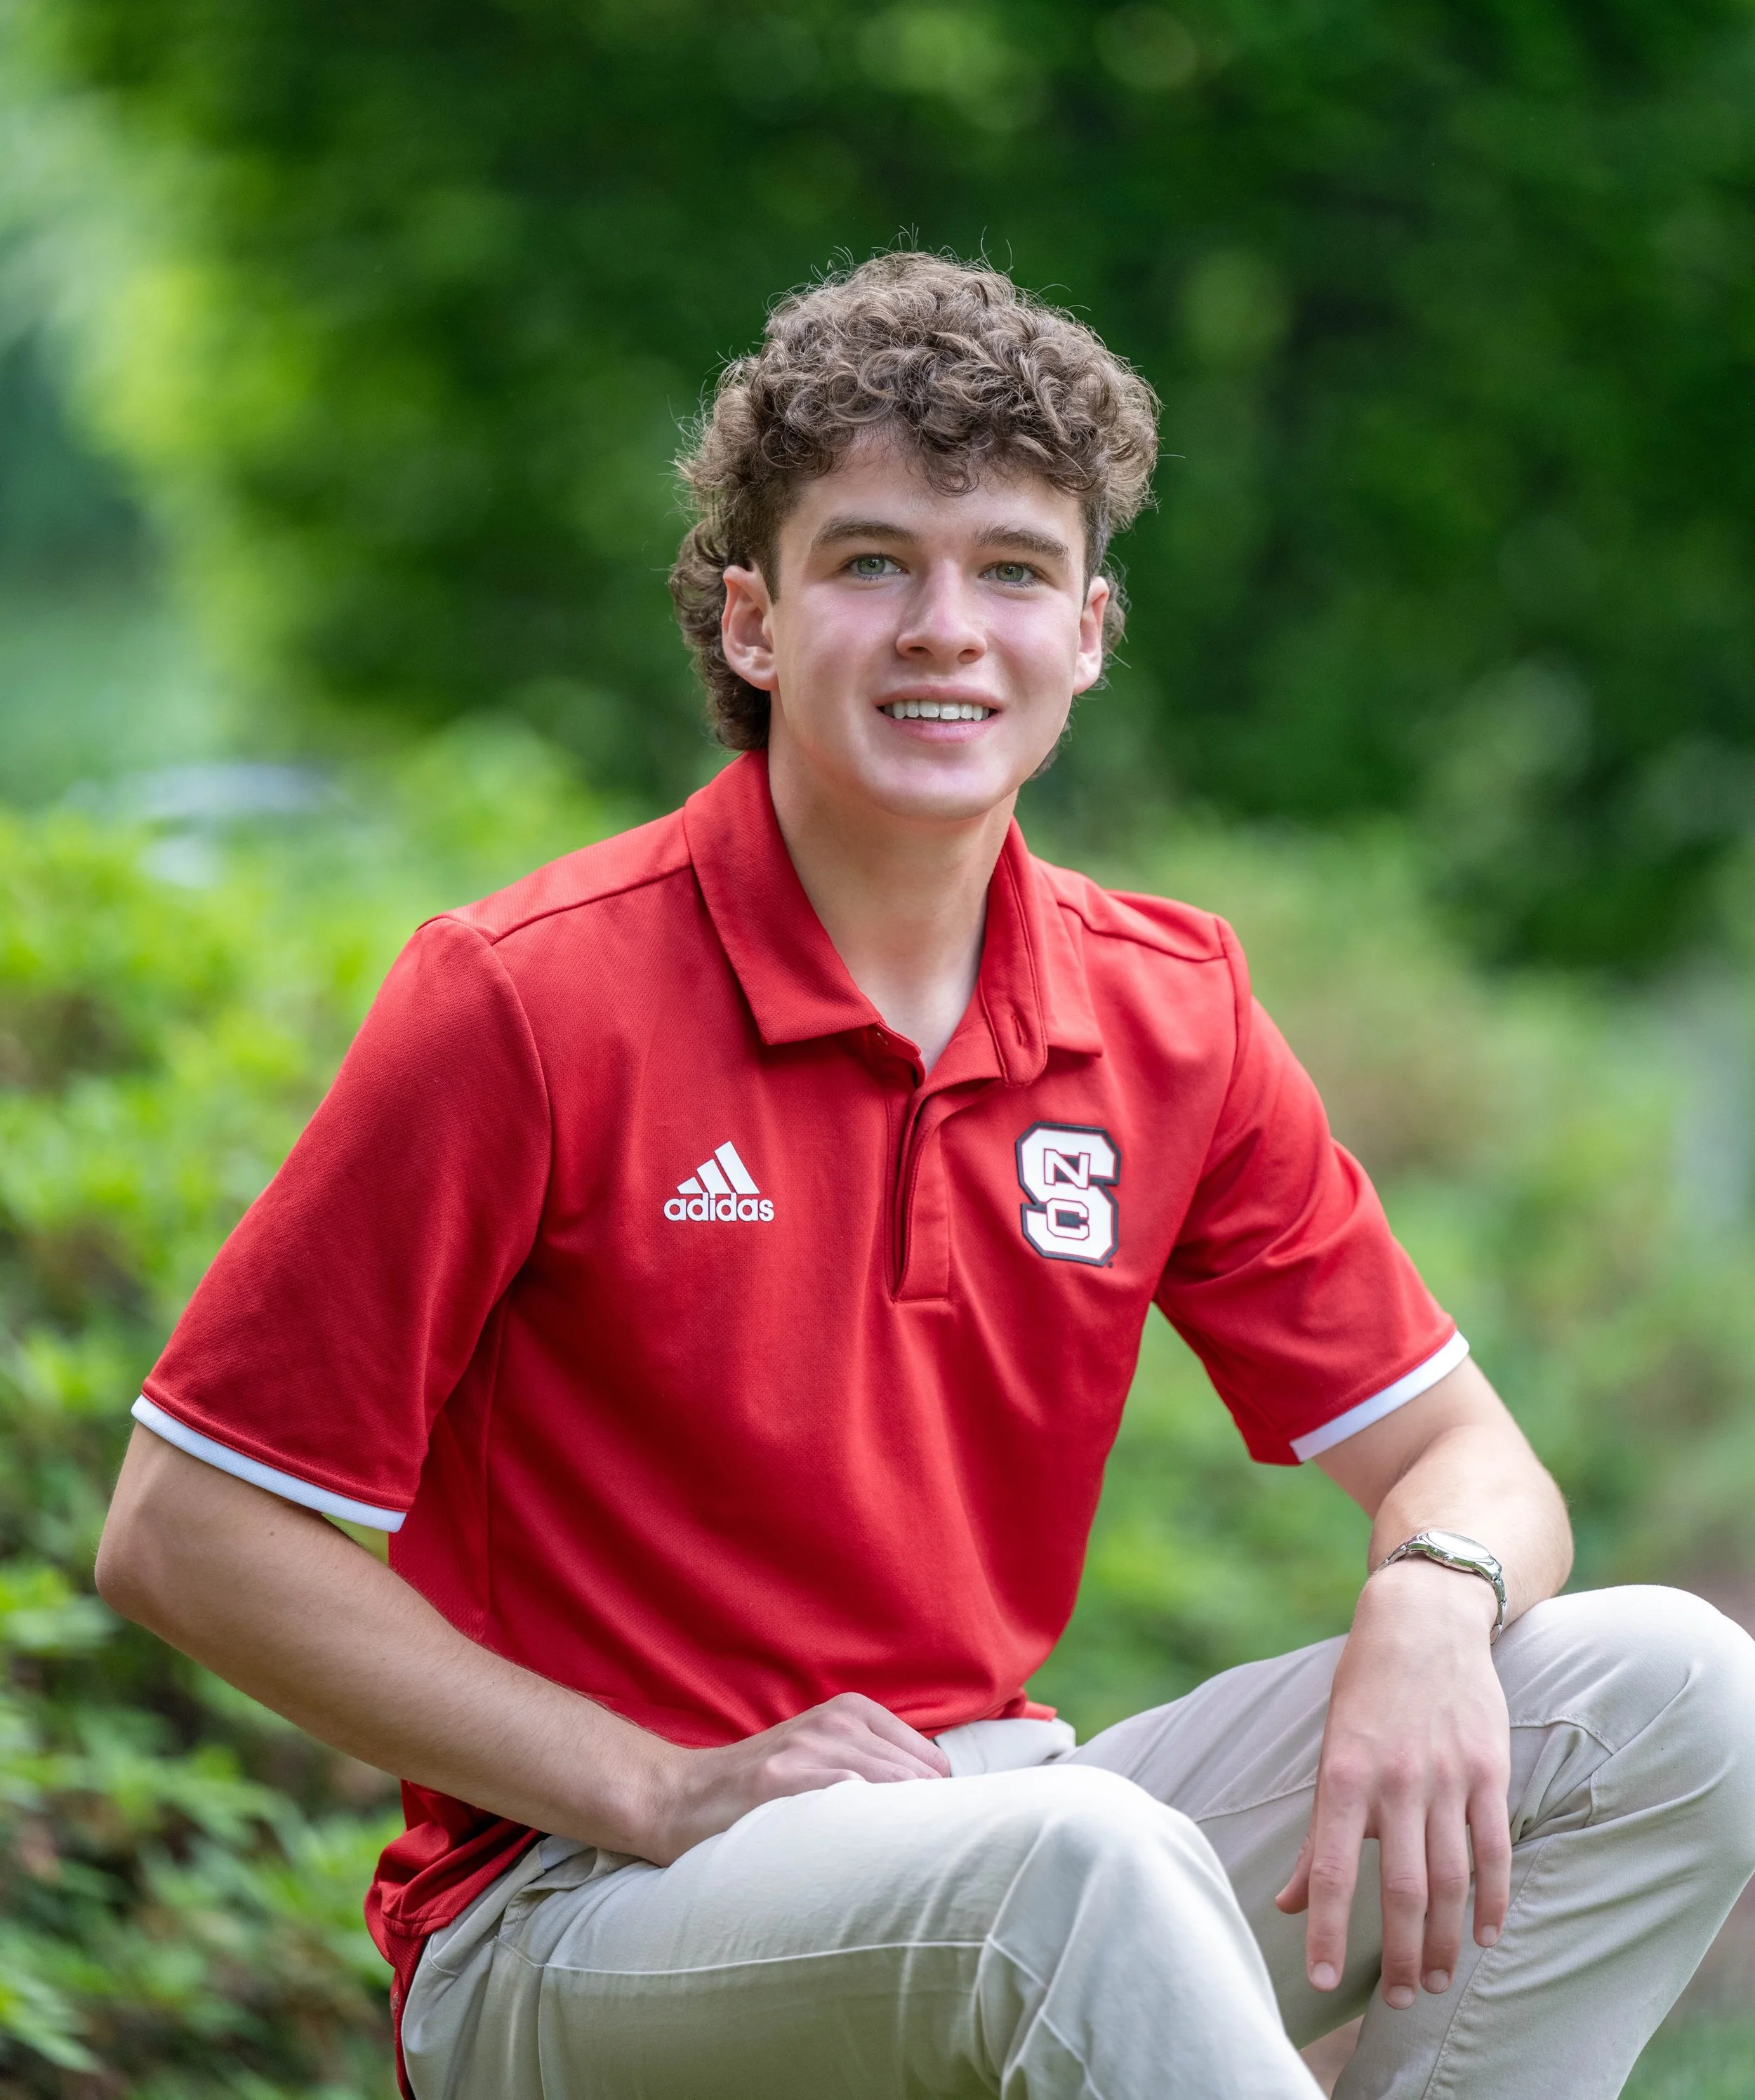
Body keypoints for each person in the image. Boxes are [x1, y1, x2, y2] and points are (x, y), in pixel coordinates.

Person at [96, 253, 1755, 2100]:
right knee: (1077, 1867)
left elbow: (1466, 1460)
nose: (943, 627)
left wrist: (1430, 1604)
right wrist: (650, 1779)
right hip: (575, 1916)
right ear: (750, 617)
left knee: (1674, 1698)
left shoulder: (1163, 1009)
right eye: (872, 559)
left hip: (990, 1815)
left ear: (1090, 631)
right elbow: (186, 1527)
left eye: (1012, 570)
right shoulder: (527, 999)